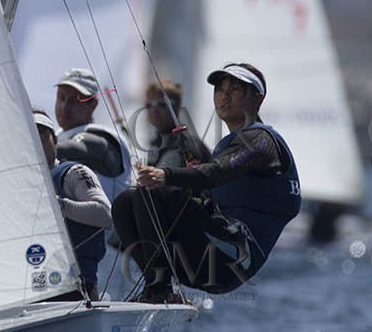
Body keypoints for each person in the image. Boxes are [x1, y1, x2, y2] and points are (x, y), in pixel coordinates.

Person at [114, 62, 299, 304]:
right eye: (220, 89)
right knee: (124, 203)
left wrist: (166, 176)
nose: (225, 96)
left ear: (258, 98)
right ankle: (157, 287)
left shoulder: (262, 141)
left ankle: (159, 291)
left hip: (233, 259)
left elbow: (219, 172)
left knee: (150, 194)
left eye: (235, 89)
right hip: (206, 256)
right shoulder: (228, 145)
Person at [34, 110, 111, 300]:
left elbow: (104, 214)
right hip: (30, 291)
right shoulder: (17, 186)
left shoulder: (74, 173)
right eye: (30, 136)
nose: (35, 142)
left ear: (56, 142)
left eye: (42, 135)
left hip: (74, 287)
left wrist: (58, 205)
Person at [53, 67, 132, 201]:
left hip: (110, 222)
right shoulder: (58, 135)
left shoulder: (100, 140)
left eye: (74, 100)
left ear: (93, 105)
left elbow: (74, 148)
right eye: (61, 97)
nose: (64, 106)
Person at [142, 78, 208, 170]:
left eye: (161, 104)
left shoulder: (187, 144)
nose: (154, 110)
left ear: (177, 106)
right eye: (149, 105)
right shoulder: (157, 142)